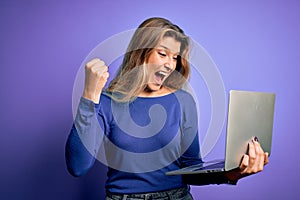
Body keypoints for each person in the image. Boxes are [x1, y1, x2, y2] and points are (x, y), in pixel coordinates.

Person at [65, 17, 269, 200]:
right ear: (140, 53)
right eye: (163, 54)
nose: (171, 65)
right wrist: (89, 96)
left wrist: (230, 174)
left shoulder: (183, 101)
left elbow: (191, 169)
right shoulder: (107, 101)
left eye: (175, 58)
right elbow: (78, 166)